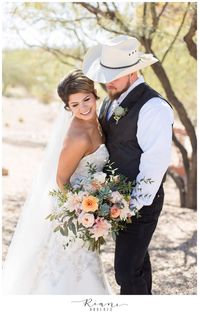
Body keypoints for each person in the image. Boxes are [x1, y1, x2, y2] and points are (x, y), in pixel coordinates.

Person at [3, 69, 112, 295]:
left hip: (90, 204)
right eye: (74, 105)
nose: (83, 108)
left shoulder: (98, 121)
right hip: (74, 211)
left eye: (86, 99)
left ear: (94, 94)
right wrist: (81, 214)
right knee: (71, 269)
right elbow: (61, 179)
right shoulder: (78, 136)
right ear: (67, 107)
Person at [82, 35, 174, 295]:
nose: (108, 81)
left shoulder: (153, 107)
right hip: (116, 199)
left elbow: (155, 162)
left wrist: (131, 205)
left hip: (139, 201)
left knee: (125, 270)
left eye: (116, 74)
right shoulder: (113, 98)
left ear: (133, 72)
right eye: (107, 74)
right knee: (136, 264)